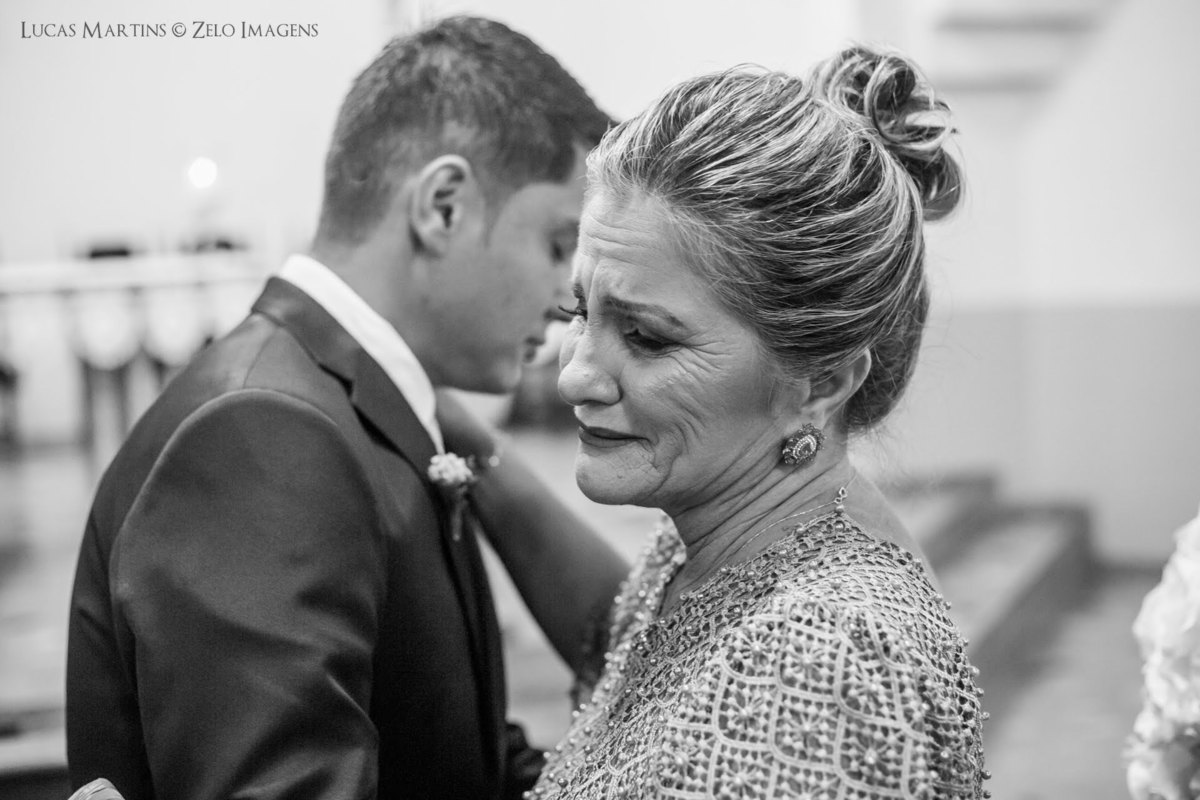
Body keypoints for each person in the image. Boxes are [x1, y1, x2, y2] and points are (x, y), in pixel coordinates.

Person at [64, 16, 623, 800]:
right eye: (559, 242)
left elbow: (450, 754)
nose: (570, 293)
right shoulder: (261, 433)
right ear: (445, 206)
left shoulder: (355, 412)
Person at [441, 45, 989, 798]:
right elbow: (629, 672)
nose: (574, 374)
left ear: (818, 383)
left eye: (646, 337)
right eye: (580, 310)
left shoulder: (822, 665)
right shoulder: (702, 549)